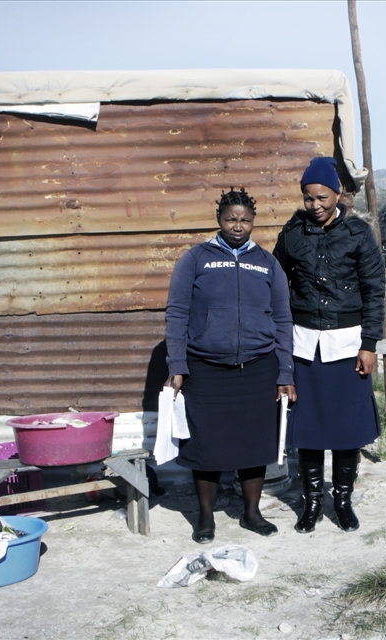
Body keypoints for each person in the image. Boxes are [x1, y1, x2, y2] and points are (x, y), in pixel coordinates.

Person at [165, 187, 297, 543]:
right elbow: (177, 313)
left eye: (245, 220)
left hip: (257, 368)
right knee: (205, 446)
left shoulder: (267, 263)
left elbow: (283, 319)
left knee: (254, 444)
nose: (237, 226)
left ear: (253, 222)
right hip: (205, 368)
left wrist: (285, 372)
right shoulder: (196, 259)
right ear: (219, 220)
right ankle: (205, 517)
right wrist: (177, 365)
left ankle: (251, 513)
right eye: (230, 219)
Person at [273, 156, 386, 533]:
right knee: (309, 429)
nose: (315, 205)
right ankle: (311, 503)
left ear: (338, 194)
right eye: (308, 198)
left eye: (322, 197)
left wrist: (369, 343)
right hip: (305, 346)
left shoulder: (358, 234)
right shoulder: (292, 234)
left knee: (345, 428)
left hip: (347, 346)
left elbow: (374, 291)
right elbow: (277, 284)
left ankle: (342, 501)